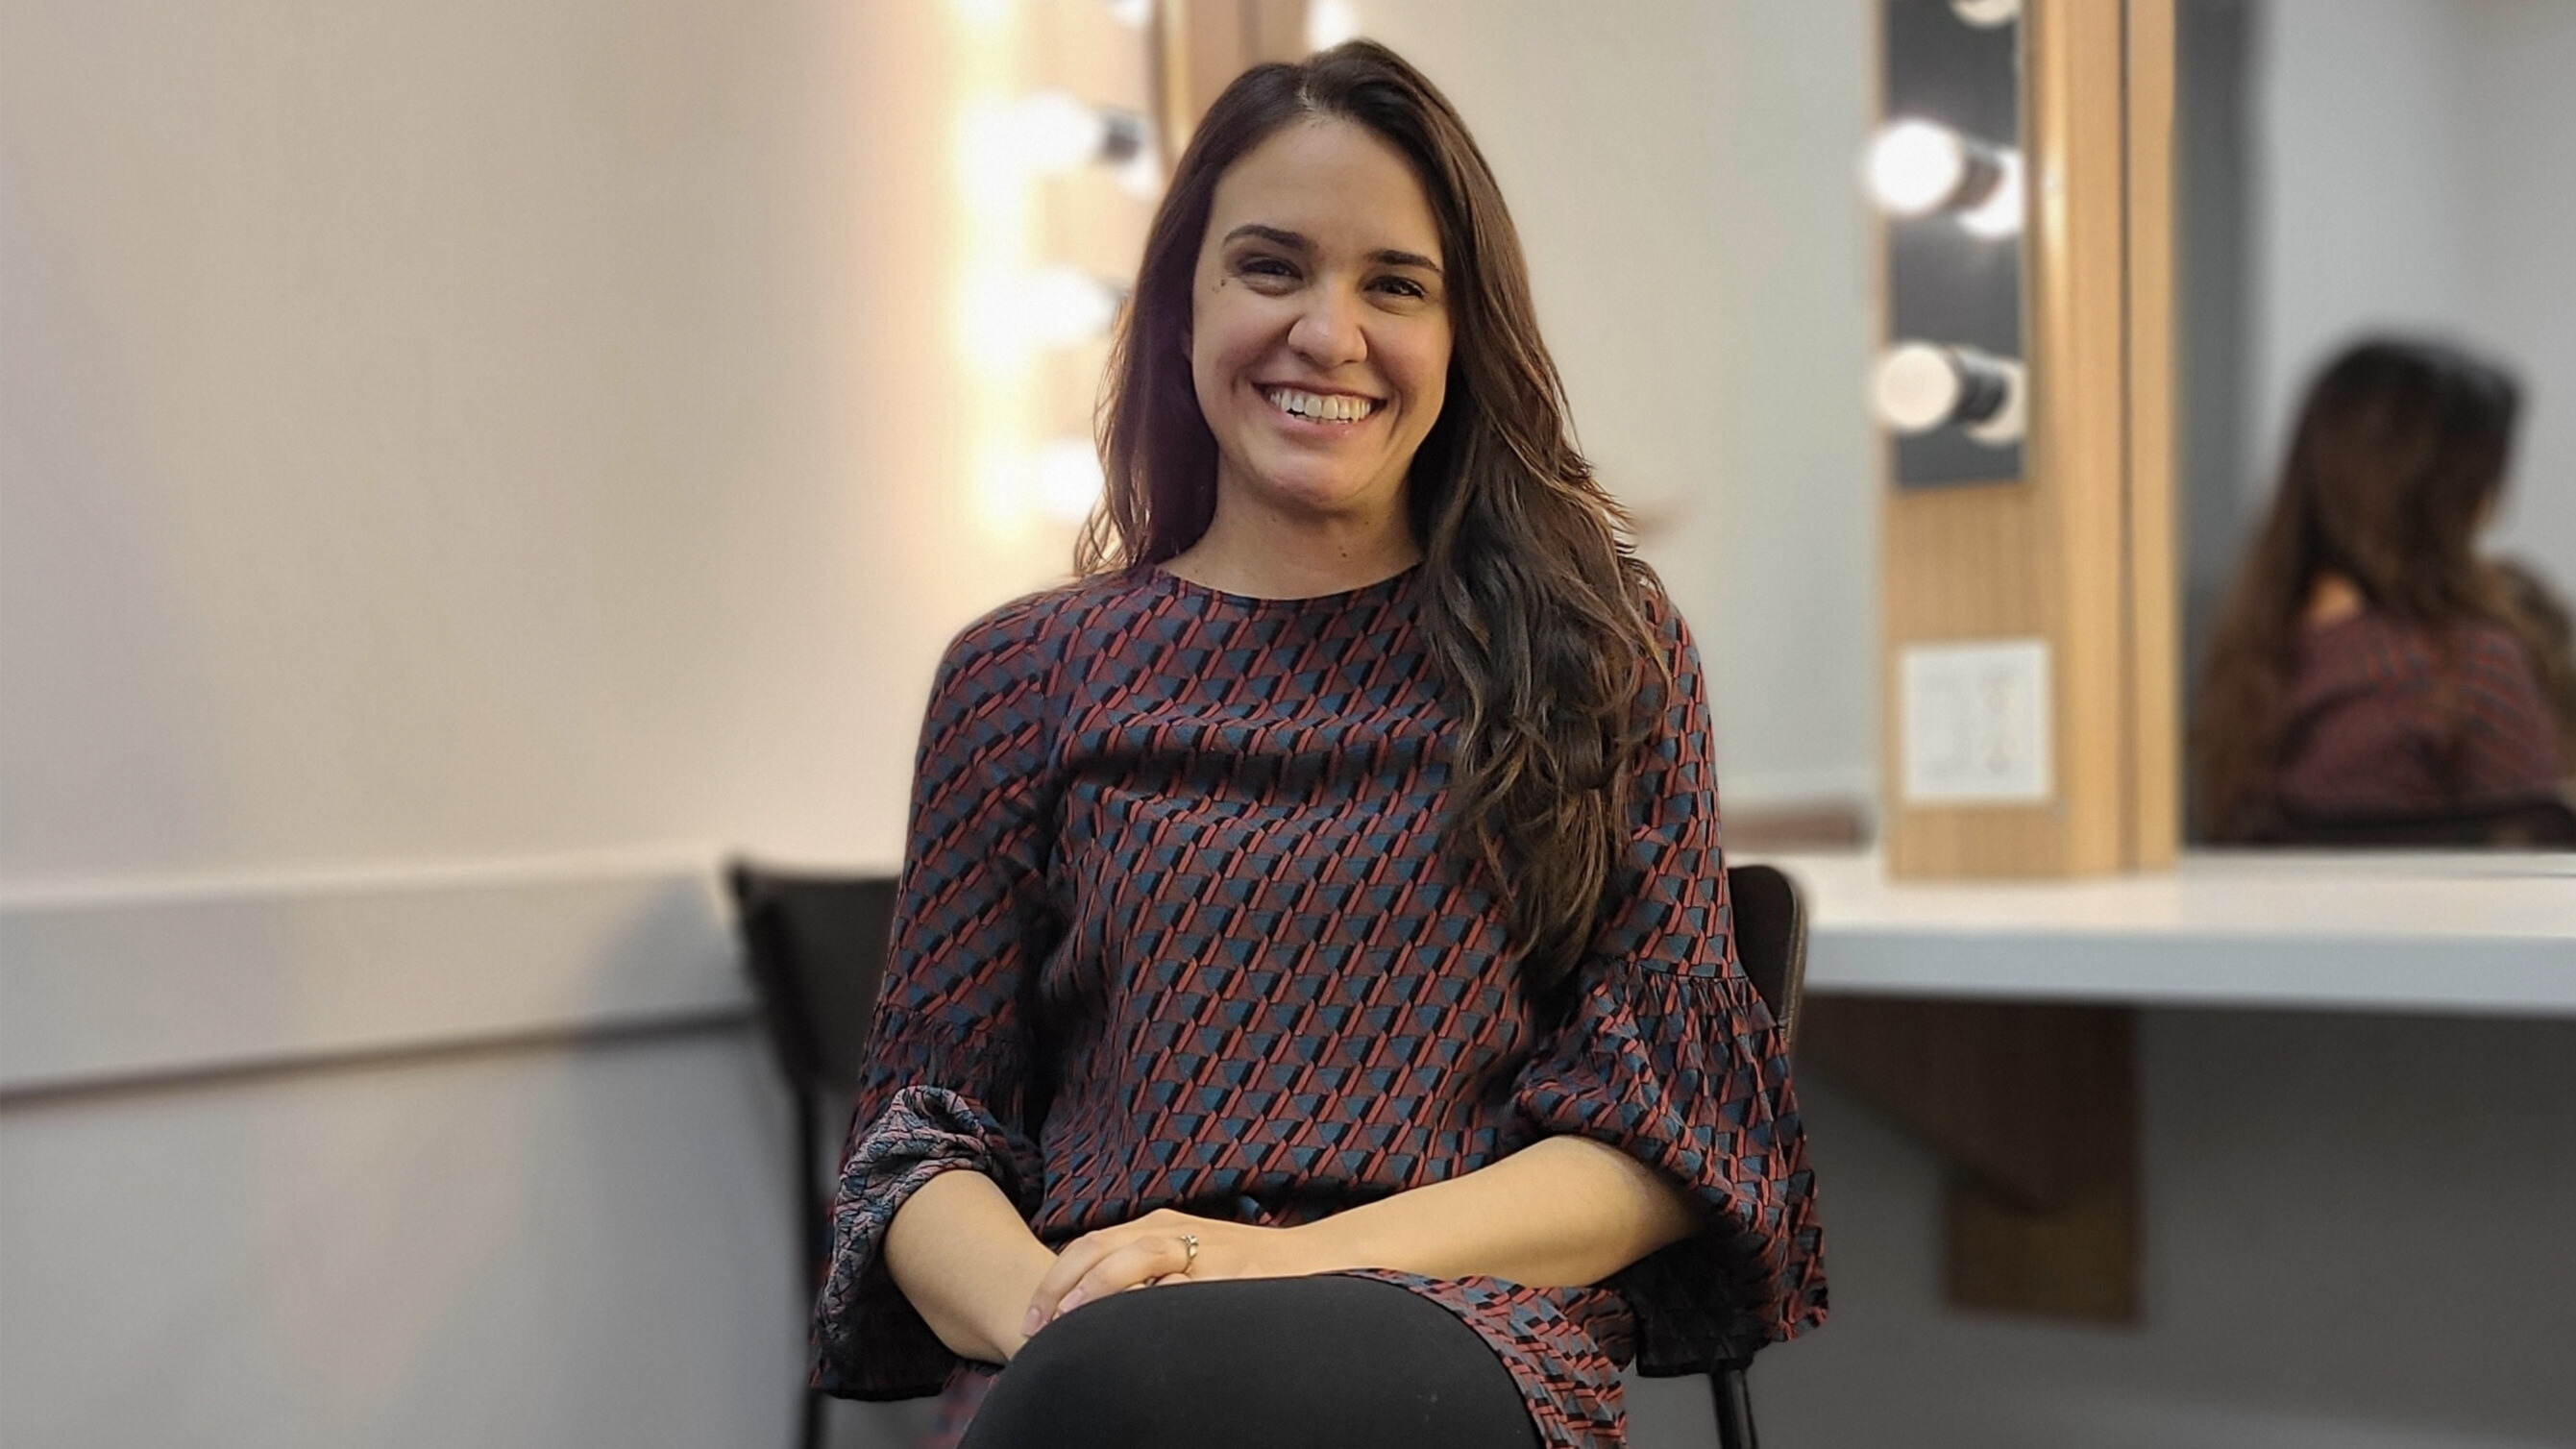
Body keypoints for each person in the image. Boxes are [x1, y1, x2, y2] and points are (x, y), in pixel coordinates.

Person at [808, 40, 1825, 1449]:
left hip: (1457, 1326)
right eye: (1272, 268)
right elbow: (918, 1138)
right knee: (1126, 1402)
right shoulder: (1020, 677)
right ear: (1180, 311)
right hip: (1096, 1348)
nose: (1328, 334)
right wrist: (1062, 1309)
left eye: (1392, 284)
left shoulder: (1600, 652)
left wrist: (1270, 1265)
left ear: (1462, 334)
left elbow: (1661, 1145)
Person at [2193, 337, 2574, 843]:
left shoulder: (2251, 662)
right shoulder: (2464, 666)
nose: (2493, 510)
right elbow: (2544, 867)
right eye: (2483, 482)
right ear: (2442, 494)